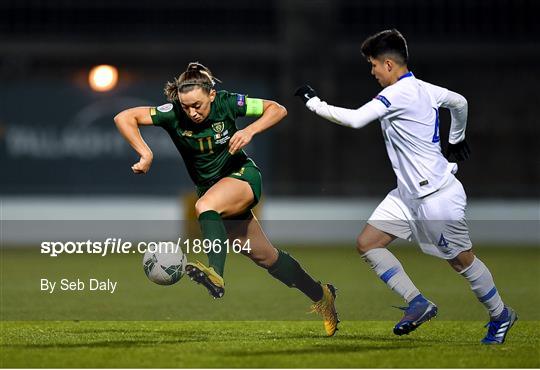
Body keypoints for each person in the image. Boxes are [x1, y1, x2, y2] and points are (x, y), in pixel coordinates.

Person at [294, 29, 516, 344]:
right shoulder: (423, 88)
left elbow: (357, 120)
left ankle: (501, 314)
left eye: (372, 65)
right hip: (408, 193)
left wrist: (314, 103)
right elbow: (459, 102)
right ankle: (417, 303)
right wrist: (457, 138)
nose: (371, 72)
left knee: (461, 260)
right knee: (369, 242)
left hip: (434, 197)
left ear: (387, 64)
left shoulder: (399, 94)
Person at [114, 62, 338, 336]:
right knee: (267, 258)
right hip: (214, 190)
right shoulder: (172, 114)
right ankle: (322, 295)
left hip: (242, 176)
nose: (192, 112)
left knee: (205, 206)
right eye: (186, 106)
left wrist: (249, 131)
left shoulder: (228, 103)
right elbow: (124, 117)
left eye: (197, 105)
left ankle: (215, 274)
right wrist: (145, 153)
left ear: (211, 94)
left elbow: (277, 109)